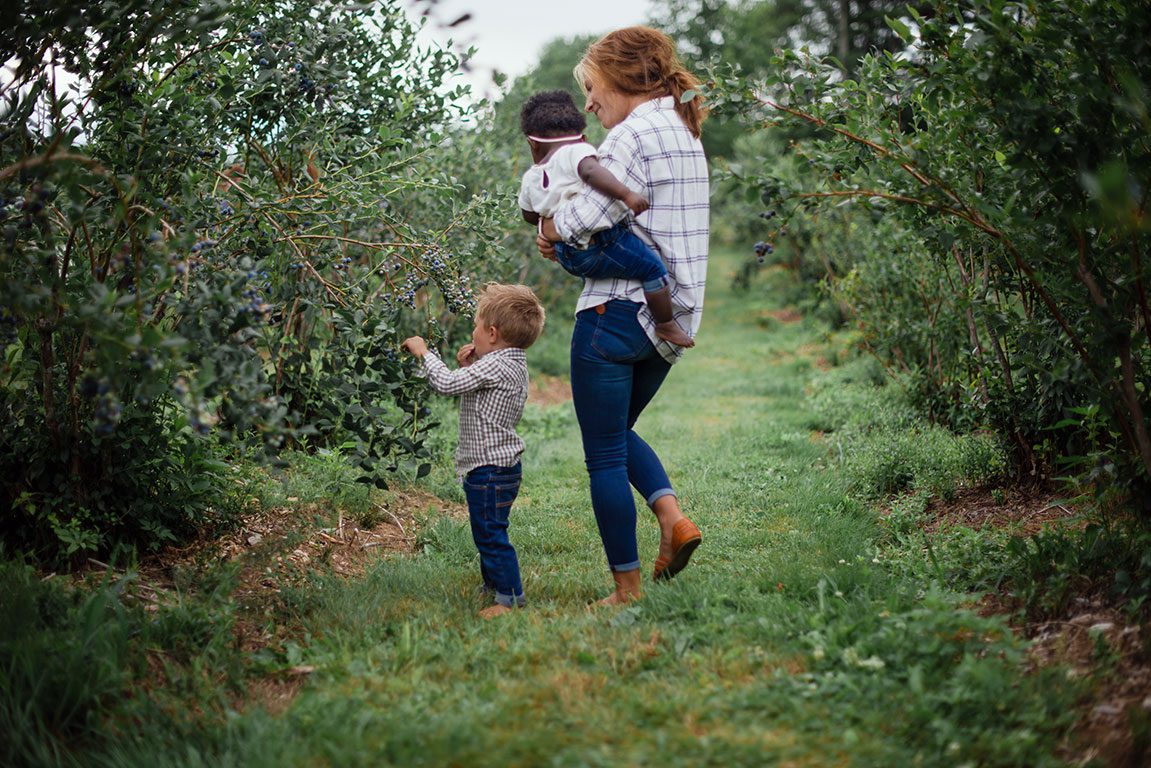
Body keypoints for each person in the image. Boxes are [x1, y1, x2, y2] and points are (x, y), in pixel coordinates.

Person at [535, 26, 709, 605]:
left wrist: (549, 230)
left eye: (591, 87)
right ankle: (672, 519)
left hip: (612, 313)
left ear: (622, 76)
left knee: (604, 452)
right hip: (669, 319)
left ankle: (626, 589)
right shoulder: (685, 130)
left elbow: (583, 218)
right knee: (614, 432)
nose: (586, 102)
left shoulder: (630, 136)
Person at [401, 283, 546, 619]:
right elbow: (480, 393)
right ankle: (493, 586)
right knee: (487, 528)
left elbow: (448, 385)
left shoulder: (496, 366)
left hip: (489, 468)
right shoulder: (509, 361)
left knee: (491, 533)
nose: (473, 332)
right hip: (499, 466)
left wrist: (424, 353)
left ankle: (510, 598)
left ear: (492, 333)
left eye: (477, 326)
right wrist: (470, 365)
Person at [518, 90, 694, 348]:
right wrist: (626, 194)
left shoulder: (530, 177)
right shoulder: (575, 151)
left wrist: (548, 229)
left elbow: (529, 215)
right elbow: (590, 171)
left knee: (599, 269)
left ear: (532, 143)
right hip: (598, 243)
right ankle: (665, 324)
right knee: (653, 269)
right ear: (583, 138)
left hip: (568, 255)